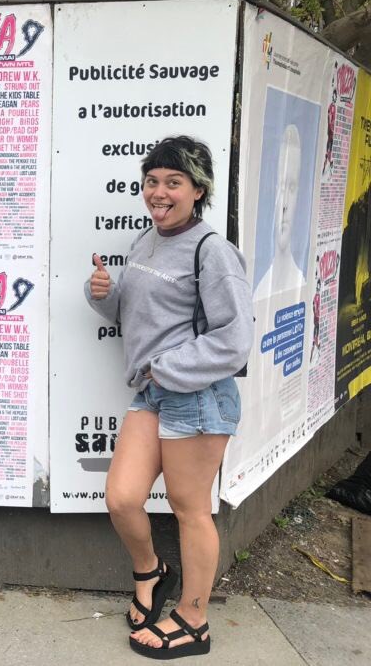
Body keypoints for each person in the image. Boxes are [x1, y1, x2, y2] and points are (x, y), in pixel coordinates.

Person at [85, 136, 253, 660]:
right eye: (152, 181)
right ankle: (152, 572)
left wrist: (168, 366)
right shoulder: (146, 240)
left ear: (197, 189)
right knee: (122, 498)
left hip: (197, 399)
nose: (159, 192)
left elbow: (235, 338)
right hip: (153, 393)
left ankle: (194, 619)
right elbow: (138, 316)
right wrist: (104, 295)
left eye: (172, 182)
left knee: (190, 510)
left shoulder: (212, 250)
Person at [254, 124, 305, 299]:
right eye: (280, 187)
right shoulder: (260, 290)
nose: (284, 204)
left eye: (291, 188)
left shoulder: (301, 282)